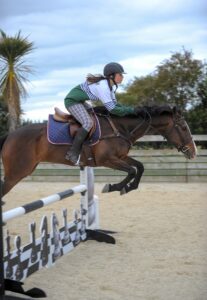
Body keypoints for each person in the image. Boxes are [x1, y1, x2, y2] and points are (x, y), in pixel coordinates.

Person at [64, 62, 143, 165]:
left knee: (96, 117)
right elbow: (112, 109)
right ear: (112, 75)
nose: (122, 77)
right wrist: (130, 111)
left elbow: (115, 104)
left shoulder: (110, 87)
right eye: (120, 74)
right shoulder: (103, 86)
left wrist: (130, 109)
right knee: (88, 123)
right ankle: (72, 153)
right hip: (72, 101)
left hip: (81, 102)